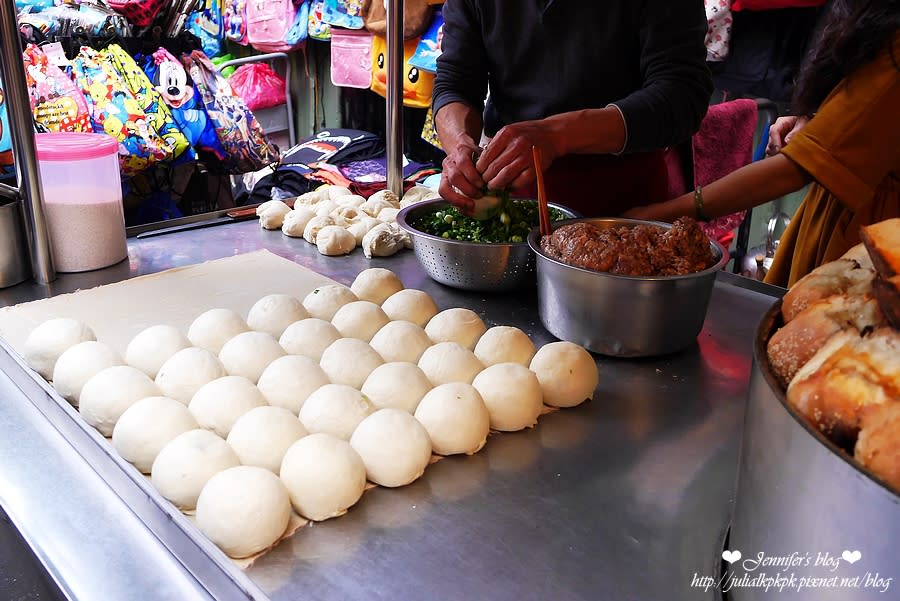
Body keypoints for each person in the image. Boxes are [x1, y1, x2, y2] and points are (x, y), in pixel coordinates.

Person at [626, 0, 900, 287]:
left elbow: (792, 171)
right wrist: (818, 119)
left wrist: (662, 213)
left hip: (868, 243)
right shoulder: (877, 25)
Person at [431, 0, 713, 218]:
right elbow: (455, 81)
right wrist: (460, 147)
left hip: (624, 207)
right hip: (511, 192)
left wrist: (556, 135)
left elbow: (681, 94)